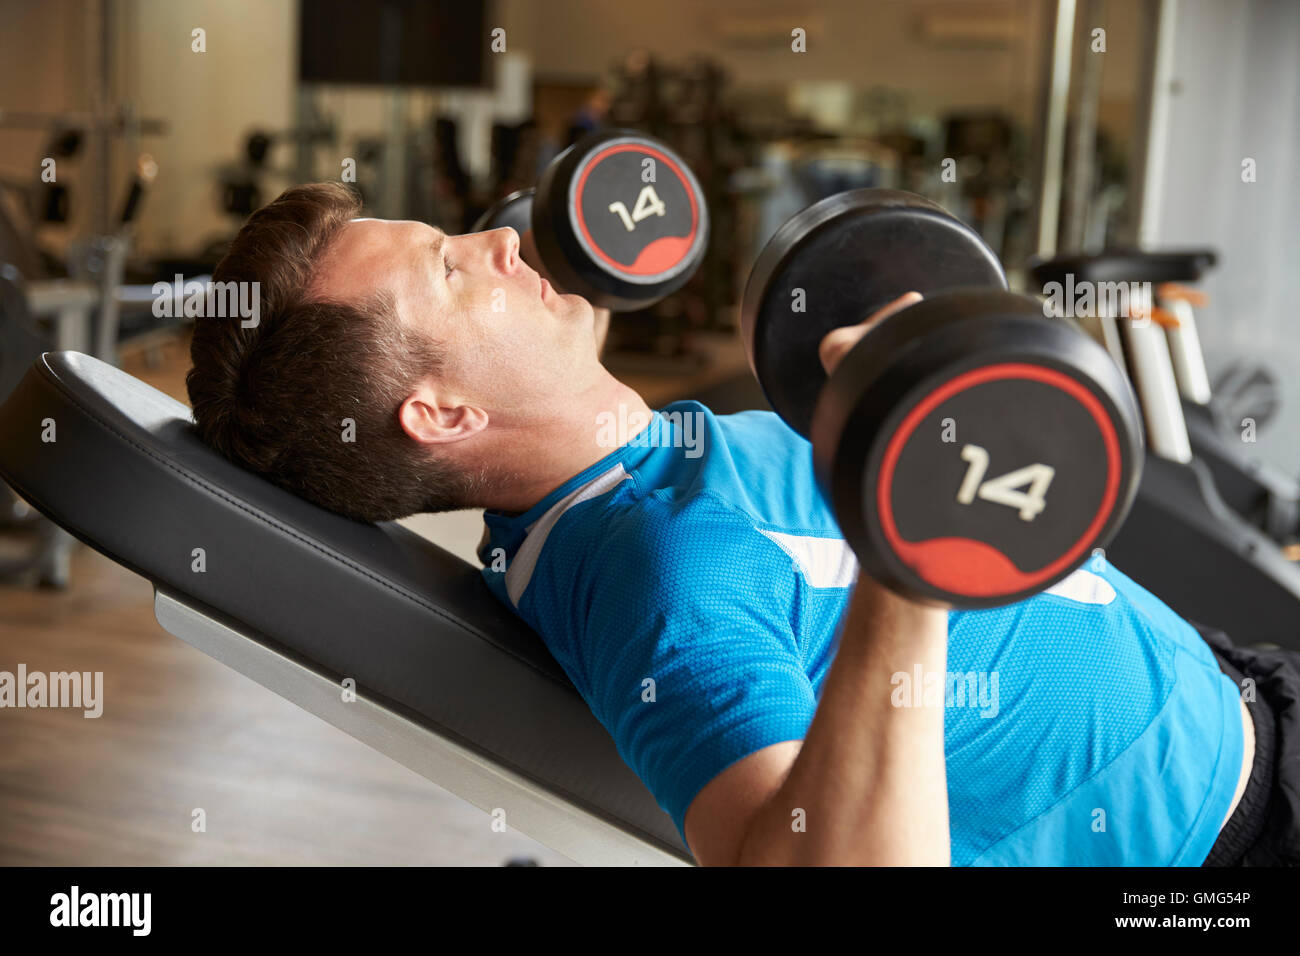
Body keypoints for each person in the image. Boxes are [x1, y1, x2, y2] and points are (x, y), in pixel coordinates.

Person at [187, 182, 1296, 866]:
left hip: (1244, 693)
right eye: (449, 265)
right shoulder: (665, 579)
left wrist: (881, 389)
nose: (501, 242)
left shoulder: (641, 472)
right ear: (441, 412)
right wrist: (908, 537)